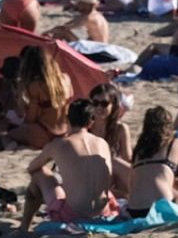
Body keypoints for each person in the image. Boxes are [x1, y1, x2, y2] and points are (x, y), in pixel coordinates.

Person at [19, 97, 118, 230]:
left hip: (73, 216)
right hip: (105, 212)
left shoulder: (59, 144)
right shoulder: (102, 143)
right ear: (91, 121)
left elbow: (32, 168)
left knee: (39, 173)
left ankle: (24, 227)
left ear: (67, 119)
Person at [8, 46, 72, 149]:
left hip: (44, 132)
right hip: (65, 131)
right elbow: (69, 106)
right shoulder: (66, 79)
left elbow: (31, 118)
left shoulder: (35, 86)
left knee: (9, 134)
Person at [44, 0, 108, 43]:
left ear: (85, 4)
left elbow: (64, 28)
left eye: (79, 4)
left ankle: (49, 47)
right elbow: (69, 24)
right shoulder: (97, 15)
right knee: (62, 31)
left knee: (63, 31)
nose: (77, 6)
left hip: (95, 48)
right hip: (99, 45)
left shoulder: (88, 17)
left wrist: (45, 33)